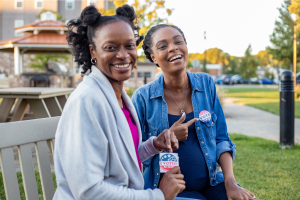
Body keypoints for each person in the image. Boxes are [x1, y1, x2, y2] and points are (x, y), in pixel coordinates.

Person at [53, 6, 186, 200]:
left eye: (129, 46)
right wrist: (158, 196)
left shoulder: (117, 95)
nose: (123, 55)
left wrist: (154, 145)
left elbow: (119, 159)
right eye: (111, 47)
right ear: (93, 51)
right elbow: (89, 191)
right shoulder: (87, 101)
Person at [131, 24, 257, 200]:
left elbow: (221, 139)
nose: (173, 48)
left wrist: (230, 183)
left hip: (211, 183)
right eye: (163, 46)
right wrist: (165, 138)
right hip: (167, 191)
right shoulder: (143, 98)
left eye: (178, 42)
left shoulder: (206, 84)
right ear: (153, 57)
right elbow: (134, 155)